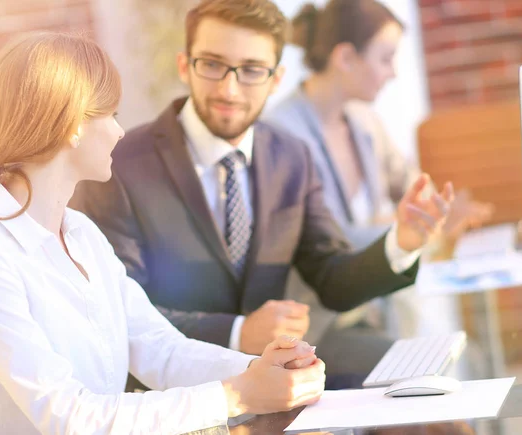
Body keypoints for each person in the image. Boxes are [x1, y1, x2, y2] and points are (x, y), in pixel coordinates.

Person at [0, 31, 327, 434]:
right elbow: (68, 417)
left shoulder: (83, 235)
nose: (119, 131)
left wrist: (263, 369)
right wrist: (238, 394)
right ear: (74, 124)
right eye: (110, 114)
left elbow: (160, 349)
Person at [70, 0, 453, 389]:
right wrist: (237, 333)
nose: (229, 89)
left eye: (252, 70)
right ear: (185, 65)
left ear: (275, 78)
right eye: (213, 64)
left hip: (279, 382)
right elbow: (118, 312)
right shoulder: (120, 166)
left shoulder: (291, 156)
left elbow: (332, 278)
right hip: (179, 397)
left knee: (435, 407)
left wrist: (402, 243)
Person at [263, 0, 494, 368]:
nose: (394, 73)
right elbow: (328, 243)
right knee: (437, 368)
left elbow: (411, 186)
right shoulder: (279, 134)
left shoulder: (364, 121)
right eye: (385, 58)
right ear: (345, 58)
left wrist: (438, 211)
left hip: (375, 310)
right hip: (320, 326)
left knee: (470, 358)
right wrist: (405, 228)